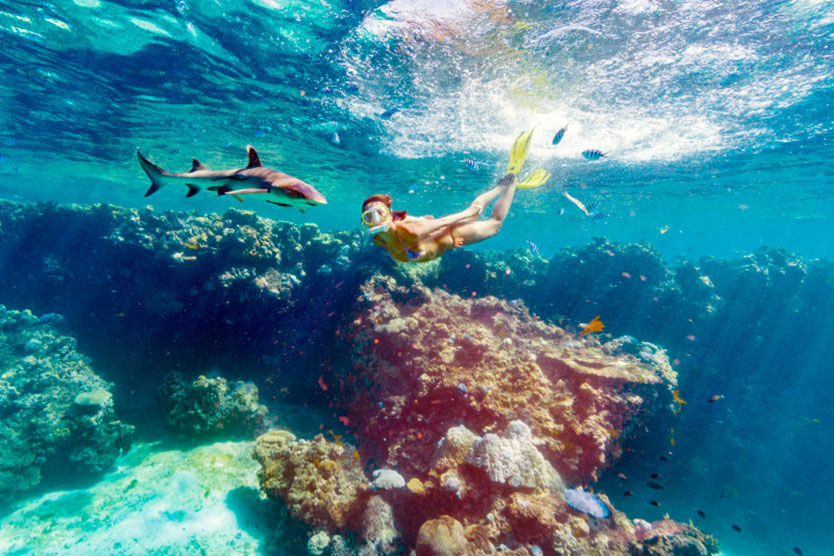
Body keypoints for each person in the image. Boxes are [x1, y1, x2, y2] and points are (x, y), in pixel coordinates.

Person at [361, 130, 549, 263]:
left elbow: (443, 221)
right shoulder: (379, 240)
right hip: (446, 241)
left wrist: (467, 213)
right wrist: (423, 221)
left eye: (379, 212)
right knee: (476, 215)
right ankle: (503, 185)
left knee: (494, 224)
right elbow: (408, 231)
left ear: (388, 213)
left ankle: (508, 184)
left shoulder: (412, 231)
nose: (376, 219)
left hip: (451, 234)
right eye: (369, 217)